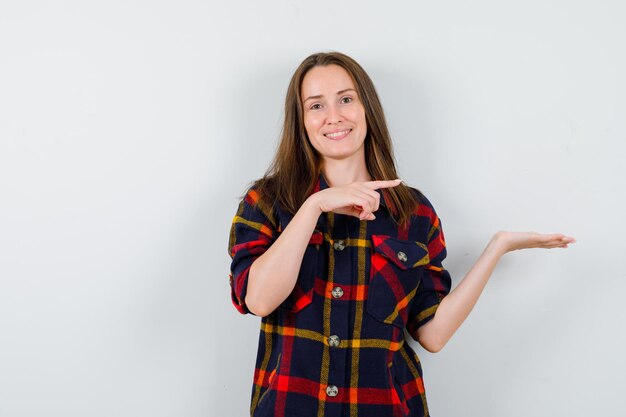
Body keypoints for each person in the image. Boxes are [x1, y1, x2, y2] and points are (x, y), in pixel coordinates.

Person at [227, 51, 575, 417]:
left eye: (346, 99)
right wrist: (315, 206)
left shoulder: (414, 212)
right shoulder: (267, 201)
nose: (334, 116)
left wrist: (497, 248)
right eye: (316, 105)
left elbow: (433, 334)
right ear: (301, 119)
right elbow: (259, 300)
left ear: (366, 109)